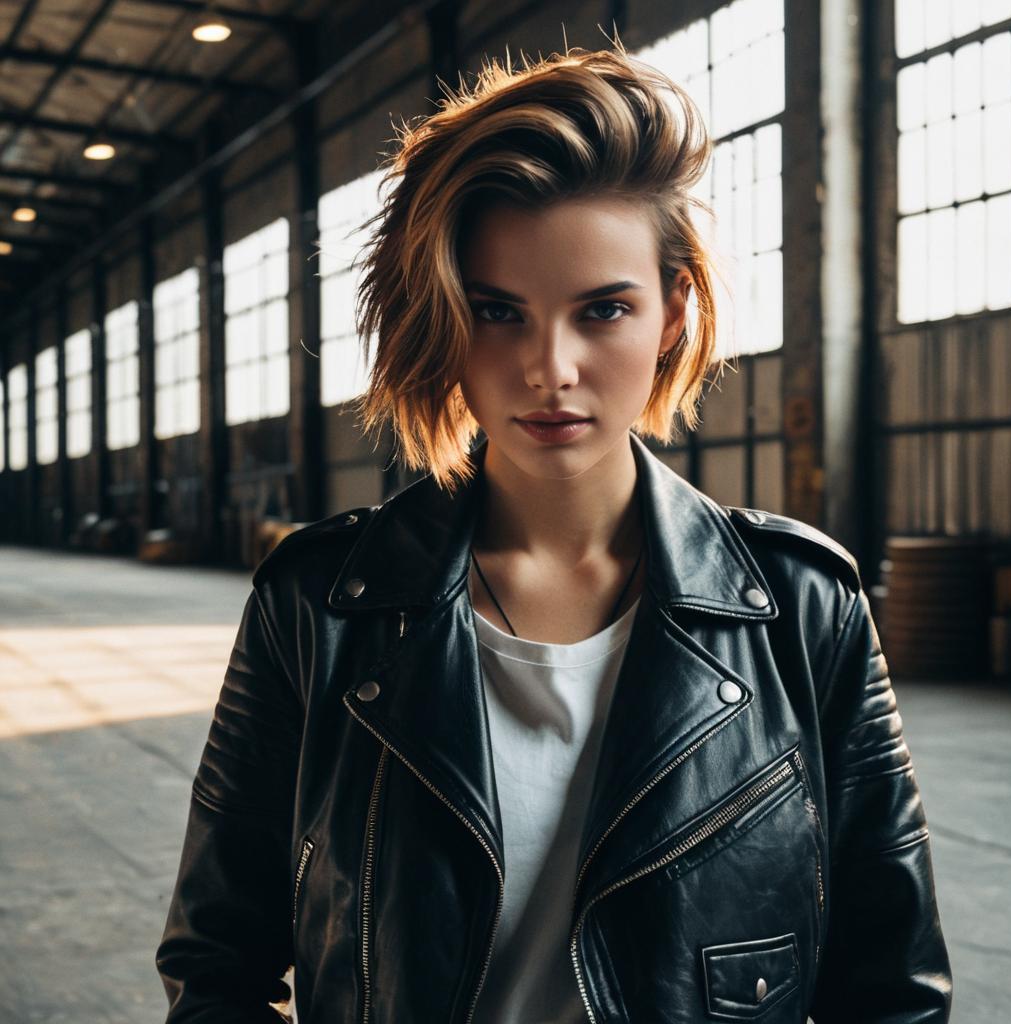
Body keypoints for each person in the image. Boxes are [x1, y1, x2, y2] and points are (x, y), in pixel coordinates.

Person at [155, 43, 952, 1024]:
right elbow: (216, 970)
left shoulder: (801, 607)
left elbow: (892, 987)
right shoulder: (317, 607)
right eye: (498, 313)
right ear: (443, 319)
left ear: (672, 313)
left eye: (602, 309)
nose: (551, 367)